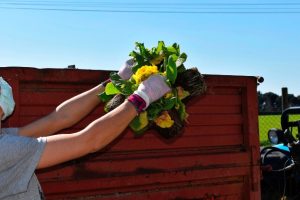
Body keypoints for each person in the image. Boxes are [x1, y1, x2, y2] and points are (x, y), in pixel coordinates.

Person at [0, 61, 171, 200]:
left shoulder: (6, 137)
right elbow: (88, 141)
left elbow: (59, 118)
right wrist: (141, 98)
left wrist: (113, 83)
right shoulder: (7, 148)